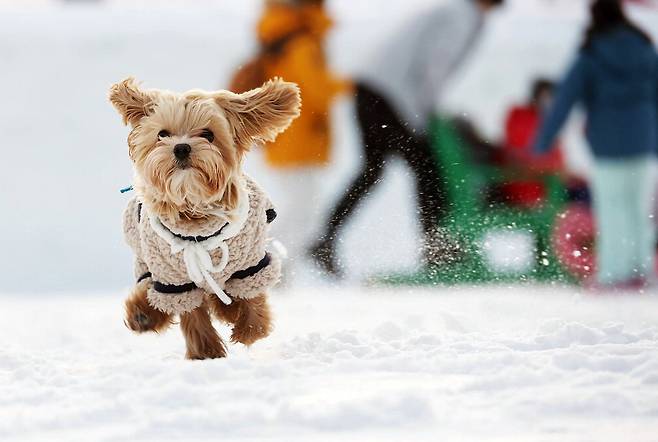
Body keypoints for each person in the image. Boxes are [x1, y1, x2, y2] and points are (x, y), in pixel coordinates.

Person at [310, 0, 505, 276]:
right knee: (427, 170)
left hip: (371, 89)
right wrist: (428, 114)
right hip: (391, 95)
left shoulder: (454, 10)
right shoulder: (462, 14)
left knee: (374, 168)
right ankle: (436, 250)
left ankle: (327, 237)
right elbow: (435, 63)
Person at [533, 0, 658, 289]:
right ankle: (640, 270)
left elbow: (564, 99)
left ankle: (614, 273)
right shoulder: (644, 48)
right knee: (638, 209)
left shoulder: (591, 53)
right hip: (643, 138)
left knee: (612, 209)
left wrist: (543, 140)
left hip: (608, 142)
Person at [232, 0, 350, 283]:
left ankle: (277, 277)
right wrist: (352, 85)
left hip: (286, 139)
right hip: (298, 140)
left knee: (303, 211)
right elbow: (318, 90)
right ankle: (263, 271)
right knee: (305, 215)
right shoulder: (301, 42)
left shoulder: (278, 36)